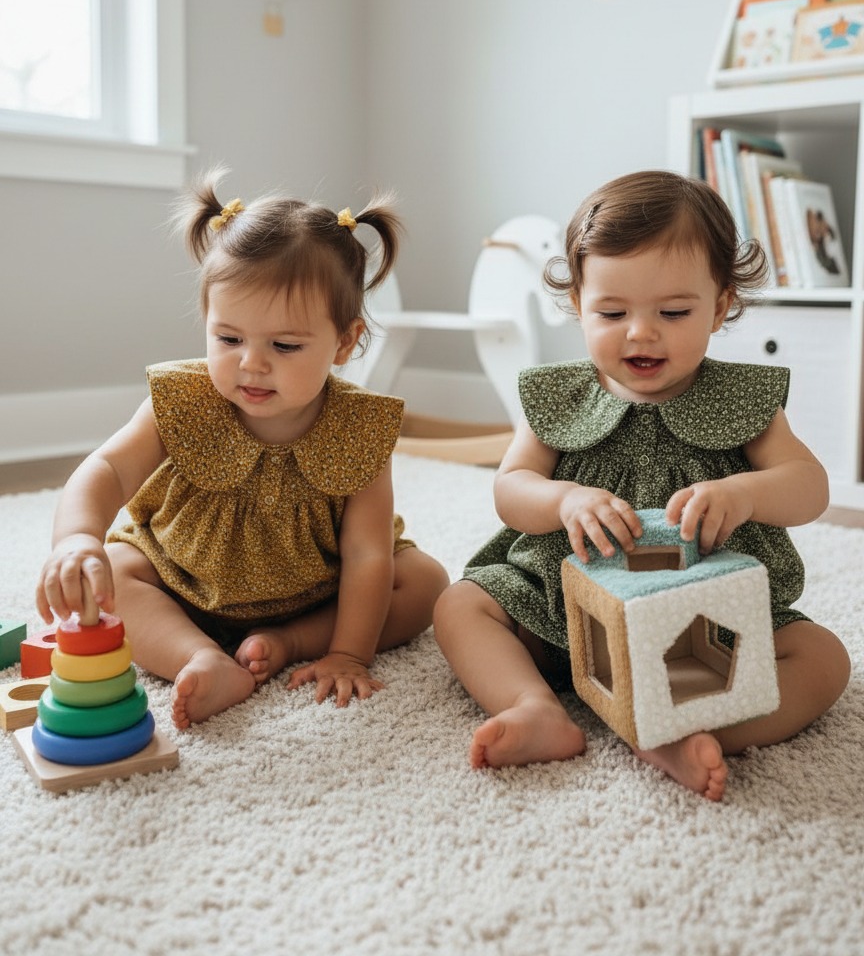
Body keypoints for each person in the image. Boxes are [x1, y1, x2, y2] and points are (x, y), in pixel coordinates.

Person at [434, 170, 850, 801]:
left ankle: (680, 727)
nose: (640, 332)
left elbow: (810, 486)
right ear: (577, 302)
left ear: (722, 302)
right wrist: (565, 499)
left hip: (706, 627)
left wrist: (745, 493)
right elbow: (511, 487)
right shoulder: (559, 395)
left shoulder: (742, 398)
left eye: (674, 311)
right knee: (461, 604)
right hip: (561, 611)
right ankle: (534, 705)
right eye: (611, 311)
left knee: (823, 658)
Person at [37, 169, 449, 729]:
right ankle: (199, 656)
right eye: (228, 339)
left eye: (284, 345)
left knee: (424, 582)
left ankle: (286, 641)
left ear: (346, 343)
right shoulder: (181, 400)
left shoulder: (360, 428)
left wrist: (349, 653)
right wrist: (76, 539)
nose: (251, 363)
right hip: (180, 577)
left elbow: (368, 555)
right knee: (113, 571)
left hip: (313, 593)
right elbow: (106, 468)